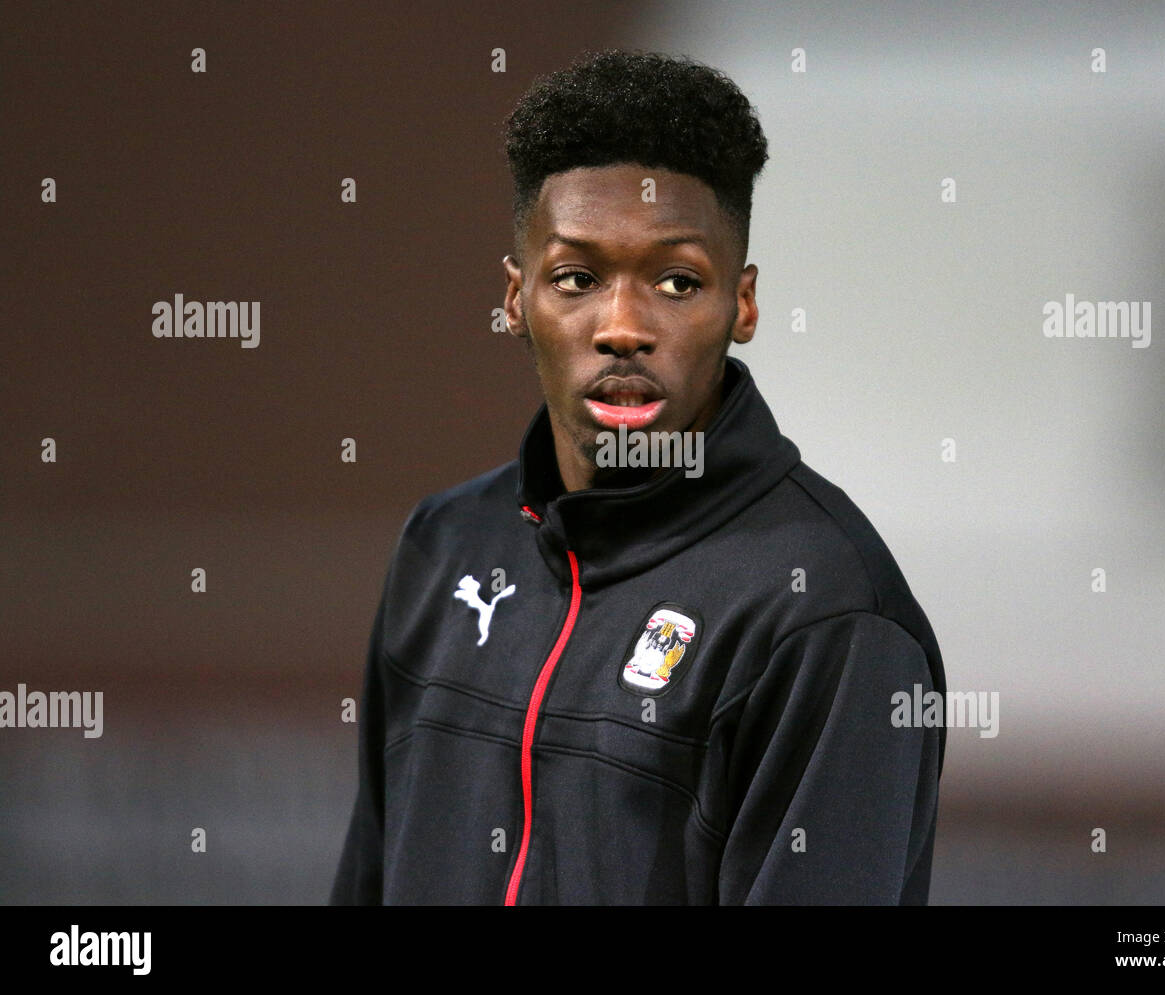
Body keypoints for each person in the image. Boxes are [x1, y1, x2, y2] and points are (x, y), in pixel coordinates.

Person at [329, 48, 946, 905]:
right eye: (577, 278)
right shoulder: (443, 547)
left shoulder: (827, 615)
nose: (622, 326)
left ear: (743, 303)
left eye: (676, 280)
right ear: (516, 298)